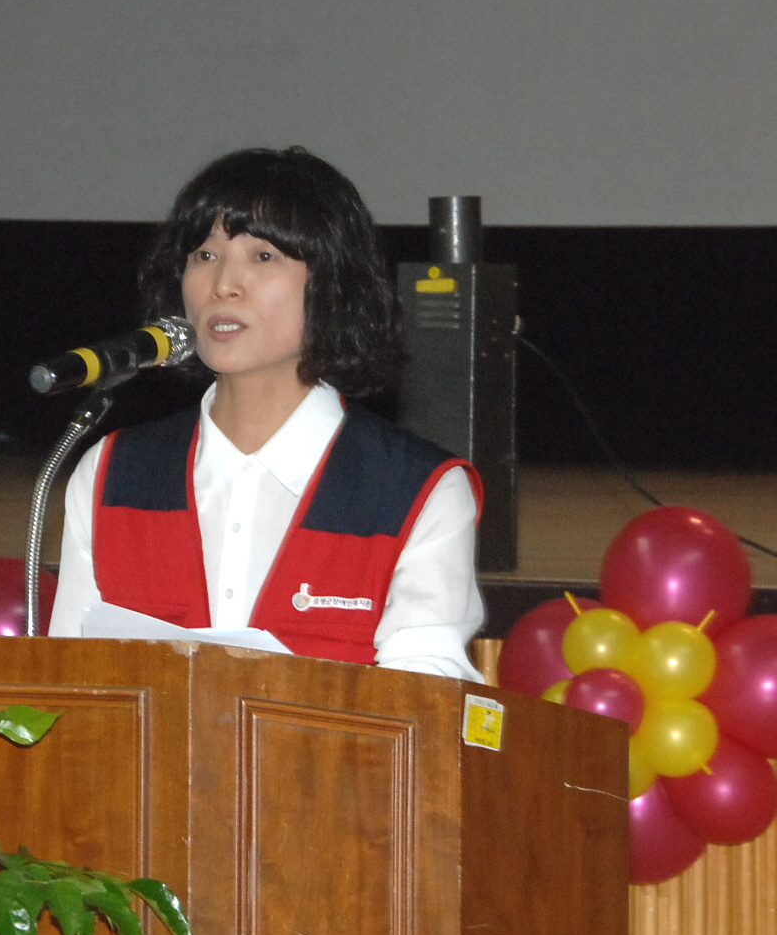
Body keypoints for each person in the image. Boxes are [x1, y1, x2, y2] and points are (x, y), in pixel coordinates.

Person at [48, 147, 485, 681]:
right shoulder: (113, 473)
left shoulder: (416, 491)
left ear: (331, 286)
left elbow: (426, 694)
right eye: (205, 255)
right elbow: (72, 680)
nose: (224, 285)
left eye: (263, 256)